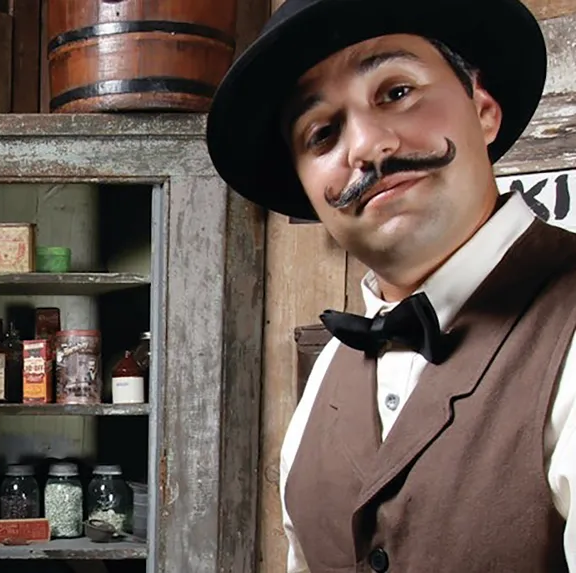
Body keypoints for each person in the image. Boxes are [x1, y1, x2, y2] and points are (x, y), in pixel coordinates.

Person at [206, 0, 575, 571]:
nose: (366, 146)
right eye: (323, 133)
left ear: (482, 110)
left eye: (397, 92)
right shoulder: (329, 370)